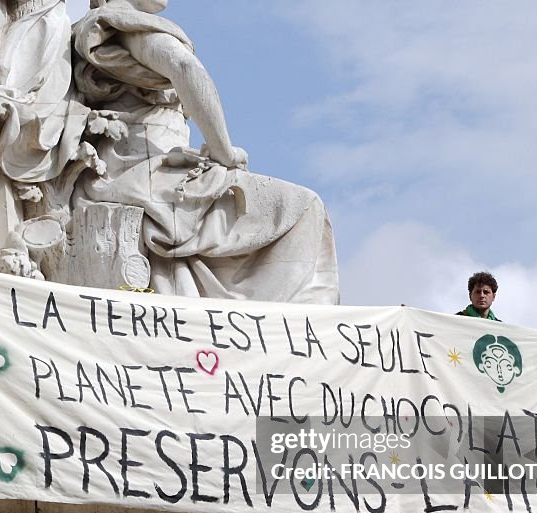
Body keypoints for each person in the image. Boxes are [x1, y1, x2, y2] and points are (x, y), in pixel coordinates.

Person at [69, 0, 339, 304]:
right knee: (303, 208)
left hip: (150, 171)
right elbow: (183, 67)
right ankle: (299, 327)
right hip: (145, 175)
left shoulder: (104, 30)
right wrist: (224, 151)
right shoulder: (120, 24)